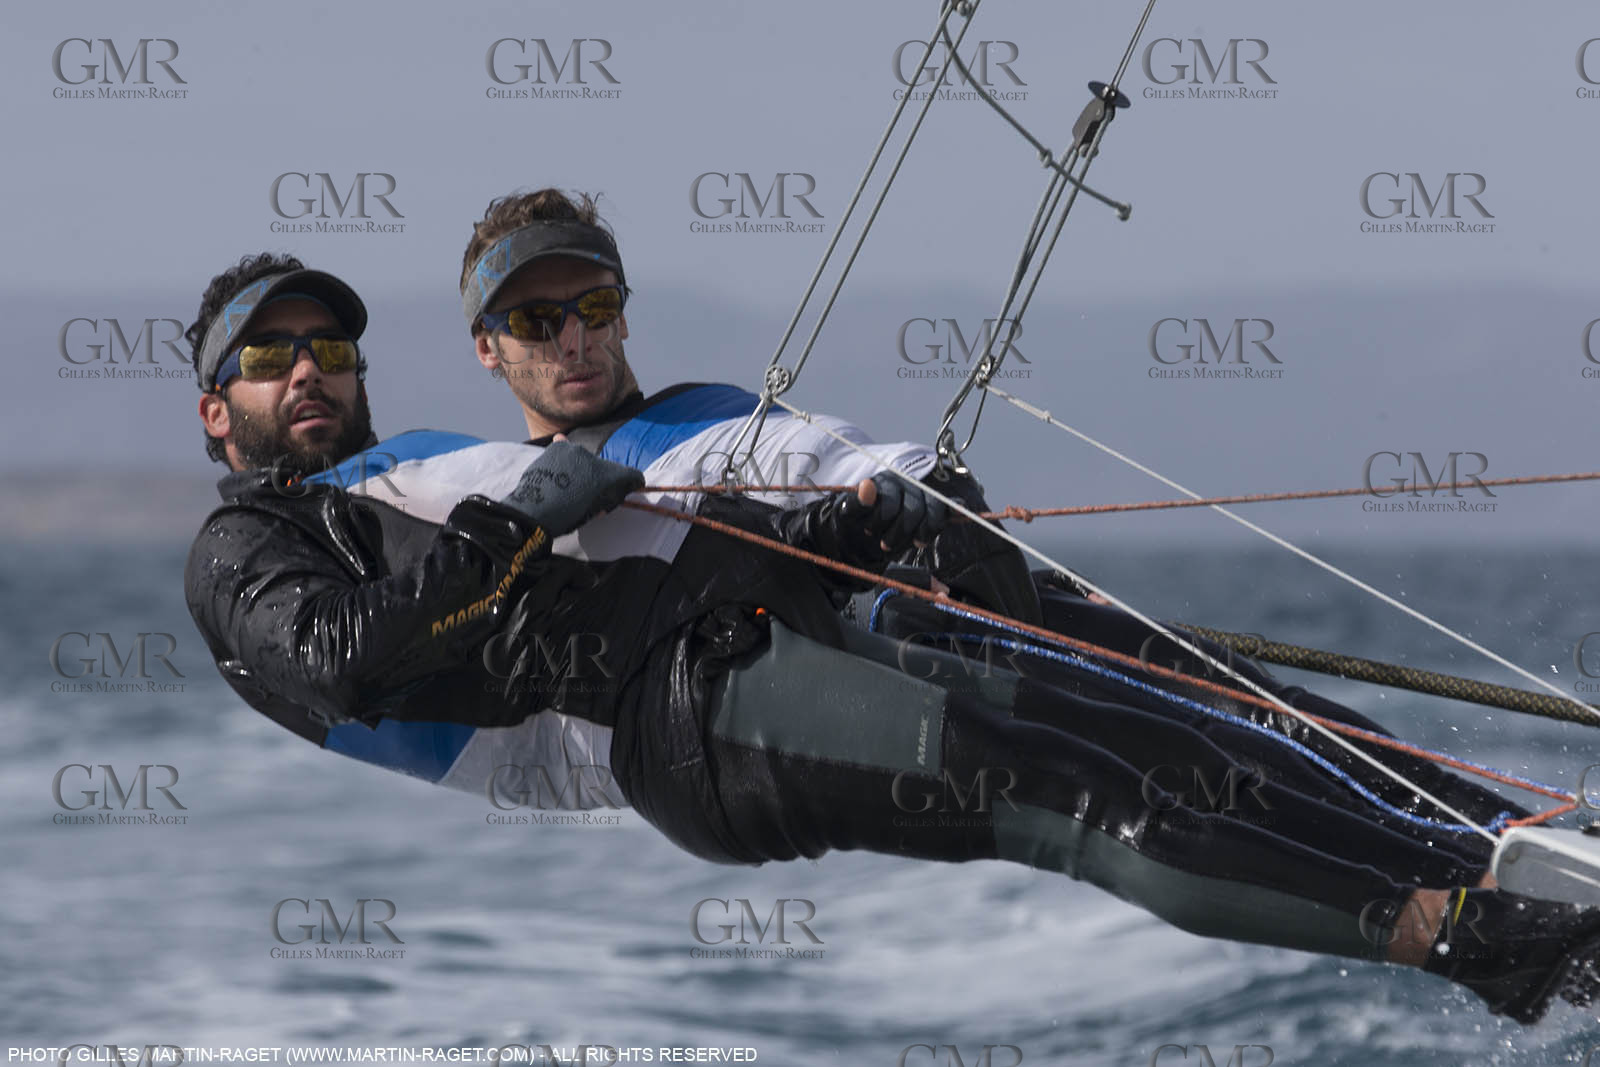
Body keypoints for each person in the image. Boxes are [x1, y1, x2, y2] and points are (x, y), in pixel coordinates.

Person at [183, 229, 1599, 1028]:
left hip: (761, 619)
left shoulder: (414, 458)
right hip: (691, 717)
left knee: (1156, 722)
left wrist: (859, 523)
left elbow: (663, 531)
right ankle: (1481, 940)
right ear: (215, 410)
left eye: (331, 347)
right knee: (1066, 790)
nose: (308, 369)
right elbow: (350, 661)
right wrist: (522, 522)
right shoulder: (251, 544)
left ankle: (1519, 877)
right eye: (269, 356)